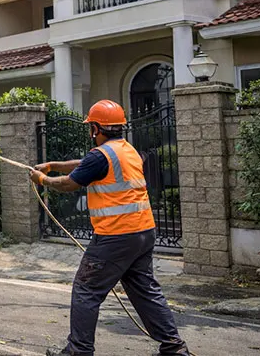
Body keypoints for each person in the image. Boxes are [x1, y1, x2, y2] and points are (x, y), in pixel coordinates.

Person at [30, 100, 190, 356]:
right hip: (144, 232)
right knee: (144, 290)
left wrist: (44, 179)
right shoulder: (127, 150)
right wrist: (54, 164)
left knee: (86, 289)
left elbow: (70, 184)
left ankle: (78, 351)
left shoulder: (101, 155)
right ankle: (174, 348)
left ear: (95, 128)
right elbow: (86, 164)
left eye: (90, 127)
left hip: (116, 236)